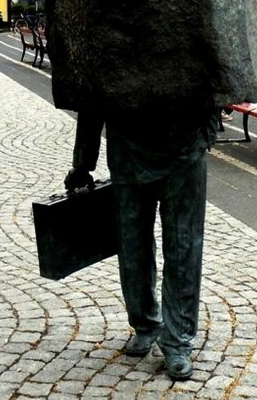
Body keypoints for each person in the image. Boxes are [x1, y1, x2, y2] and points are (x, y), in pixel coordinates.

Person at [65, 106, 215, 381]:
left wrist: (208, 128)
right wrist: (83, 162)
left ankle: (178, 339)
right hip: (128, 151)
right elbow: (90, 89)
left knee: (184, 247)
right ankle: (145, 324)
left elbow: (222, 72)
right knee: (132, 245)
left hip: (184, 147)